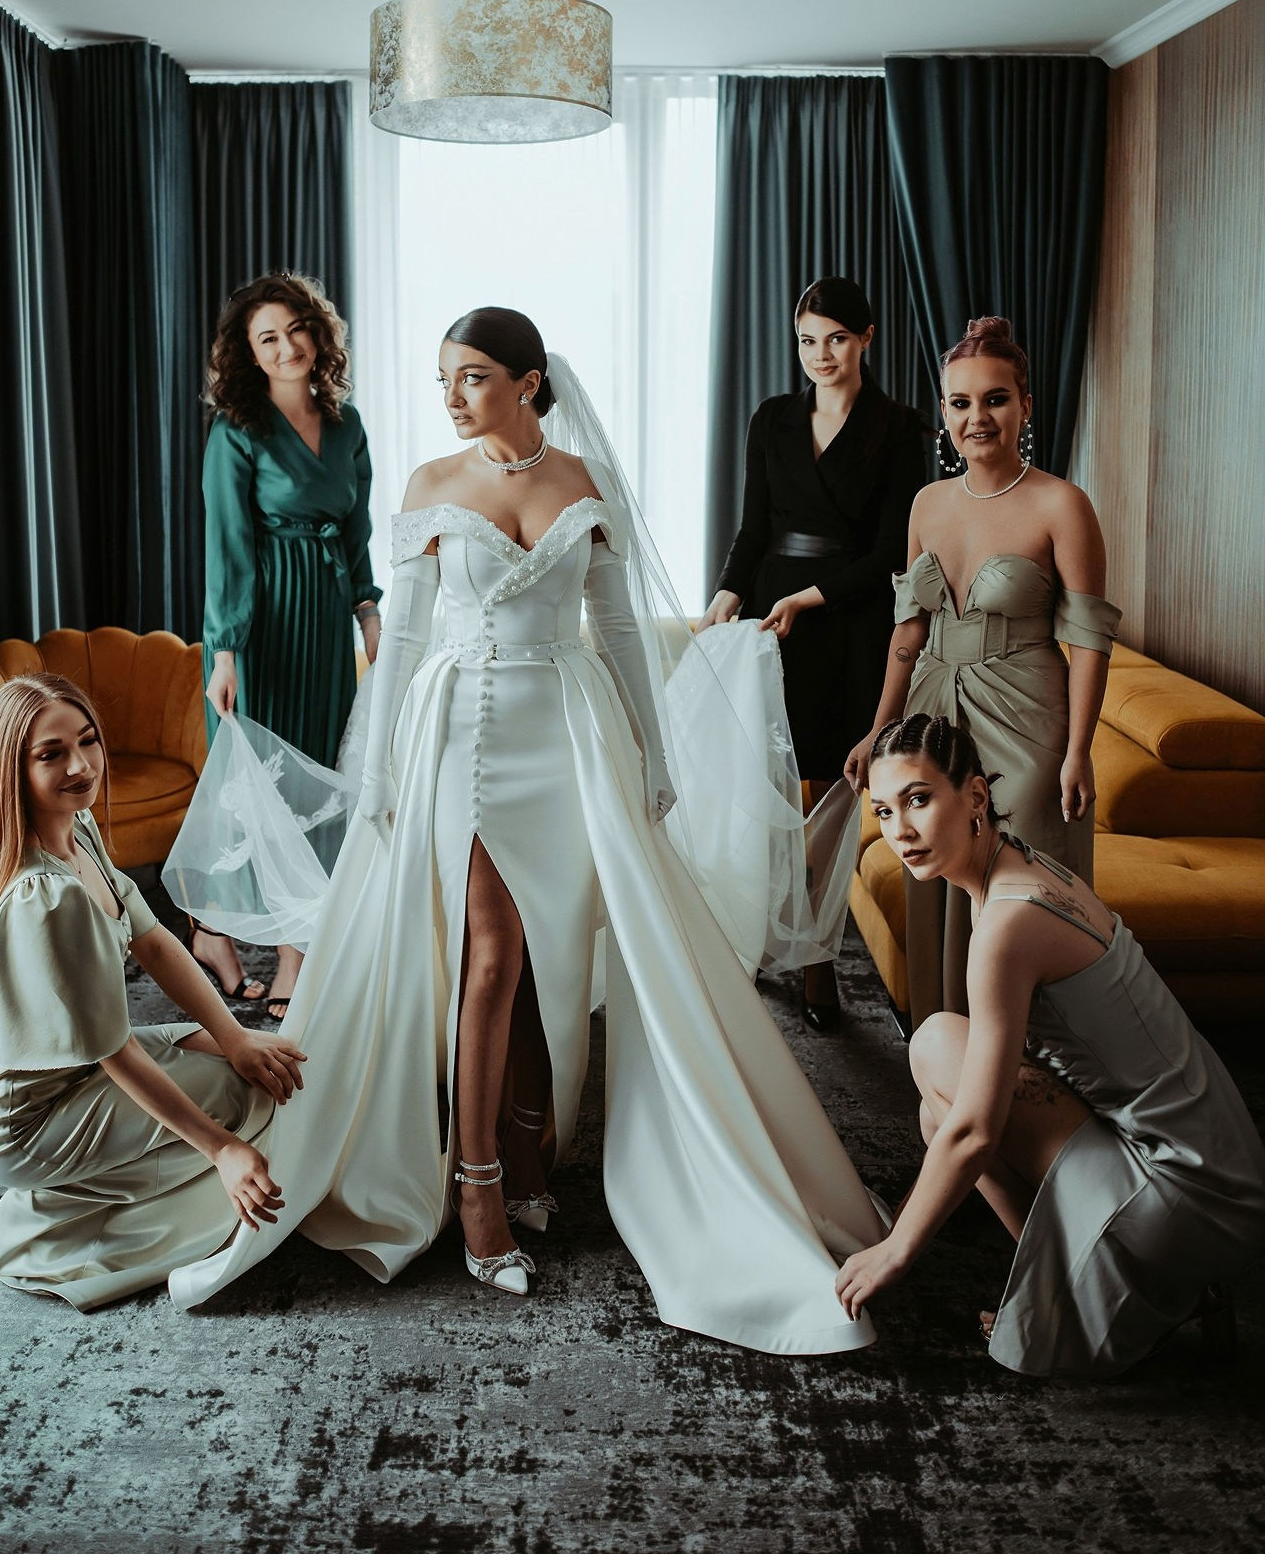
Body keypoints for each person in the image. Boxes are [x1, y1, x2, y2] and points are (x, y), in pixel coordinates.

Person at [167, 309, 887, 1354]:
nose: (452, 397)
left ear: (528, 381)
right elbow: (405, 638)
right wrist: (378, 768)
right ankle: (477, 1187)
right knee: (491, 954)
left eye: (471, 377)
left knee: (552, 952)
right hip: (458, 734)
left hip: (568, 734)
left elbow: (622, 628)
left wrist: (653, 755)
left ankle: (531, 1152)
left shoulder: (584, 483)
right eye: (444, 379)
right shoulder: (430, 484)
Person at [835, 714, 1265, 1376]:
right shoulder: (1020, 863)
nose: (900, 832)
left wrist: (895, 1250)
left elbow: (978, 1131)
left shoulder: (1009, 921)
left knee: (938, 1052)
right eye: (885, 810)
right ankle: (1078, 1279)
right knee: (937, 1107)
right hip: (1225, 1172)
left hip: (1190, 1190)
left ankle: (1117, 1294)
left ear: (975, 796)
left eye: (919, 799)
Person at [0, 674, 304, 1309]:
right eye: (51, 754)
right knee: (240, 1098)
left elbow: (154, 941)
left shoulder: (77, 829)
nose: (81, 766)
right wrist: (221, 1150)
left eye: (87, 741)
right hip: (22, 1118)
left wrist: (234, 1035)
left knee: (254, 1058)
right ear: (12, 771)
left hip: (77, 1065)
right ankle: (79, 1232)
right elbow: (114, 1052)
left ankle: (115, 1189)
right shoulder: (45, 897)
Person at [845, 316, 1120, 1021]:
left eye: (995, 399)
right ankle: (952, 1048)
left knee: (1022, 884)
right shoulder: (927, 504)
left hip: (1027, 717)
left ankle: (1036, 1065)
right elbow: (909, 629)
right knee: (933, 866)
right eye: (961, 403)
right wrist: (880, 731)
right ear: (943, 411)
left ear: (1025, 404)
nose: (978, 418)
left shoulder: (1062, 504)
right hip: (932, 713)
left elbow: (1090, 640)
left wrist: (1079, 750)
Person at [700, 275, 927, 1030]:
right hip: (774, 619)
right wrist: (728, 593)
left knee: (831, 792)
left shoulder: (900, 427)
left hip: (851, 619)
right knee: (765, 780)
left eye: (836, 339)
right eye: (807, 341)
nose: (820, 355)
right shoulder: (772, 419)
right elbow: (753, 529)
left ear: (867, 338)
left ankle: (817, 959)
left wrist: (812, 597)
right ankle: (755, 933)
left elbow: (893, 551)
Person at [196, 270, 381, 1021]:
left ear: (318, 332)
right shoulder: (236, 429)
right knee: (256, 790)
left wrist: (367, 610)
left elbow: (357, 525)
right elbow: (227, 546)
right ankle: (216, 930)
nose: (285, 347)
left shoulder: (347, 423)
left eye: (296, 329)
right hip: (260, 624)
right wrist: (226, 650)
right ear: (249, 353)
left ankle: (294, 953)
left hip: (325, 619)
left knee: (319, 785)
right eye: (266, 337)